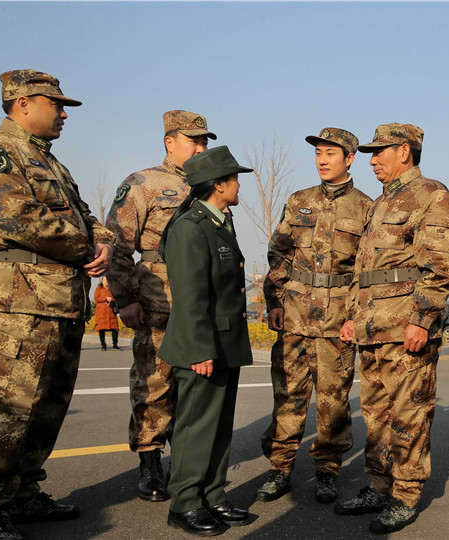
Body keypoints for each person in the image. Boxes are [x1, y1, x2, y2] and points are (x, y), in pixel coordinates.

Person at [0, 69, 114, 540]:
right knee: (5, 410)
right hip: (15, 303)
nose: (62, 115)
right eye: (56, 105)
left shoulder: (53, 164)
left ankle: (23, 494)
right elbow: (12, 215)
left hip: (58, 301)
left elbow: (91, 219)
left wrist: (105, 244)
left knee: (46, 407)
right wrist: (84, 248)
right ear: (22, 104)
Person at [338, 123, 449, 534]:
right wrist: (353, 316)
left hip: (405, 330)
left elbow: (439, 266)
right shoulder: (378, 205)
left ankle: (405, 495)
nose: (372, 160)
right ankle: (378, 484)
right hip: (372, 330)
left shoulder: (431, 195)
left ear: (404, 151)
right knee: (375, 416)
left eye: (380, 152)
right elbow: (363, 270)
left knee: (409, 415)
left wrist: (423, 320)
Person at [257, 128, 372, 504]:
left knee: (333, 400)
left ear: (349, 158)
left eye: (331, 154)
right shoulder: (298, 201)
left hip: (337, 319)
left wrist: (355, 316)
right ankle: (280, 469)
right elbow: (279, 255)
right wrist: (274, 301)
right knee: (287, 394)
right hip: (294, 314)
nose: (323, 160)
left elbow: (364, 272)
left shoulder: (367, 208)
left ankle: (327, 471)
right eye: (319, 153)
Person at [105, 110, 213, 501]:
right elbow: (117, 244)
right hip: (156, 301)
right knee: (153, 384)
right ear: (170, 142)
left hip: (198, 305)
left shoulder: (209, 185)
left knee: (196, 387)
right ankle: (150, 463)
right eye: (193, 141)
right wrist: (125, 298)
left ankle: (187, 463)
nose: (201, 147)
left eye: (204, 142)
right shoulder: (144, 183)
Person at [157, 145, 254, 536]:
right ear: (217, 184)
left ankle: (212, 495)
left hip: (224, 342)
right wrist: (199, 349)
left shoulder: (219, 222)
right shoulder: (190, 228)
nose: (238, 185)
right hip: (202, 345)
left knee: (218, 426)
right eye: (234, 179)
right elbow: (191, 295)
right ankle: (184, 503)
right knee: (195, 427)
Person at [94, 277, 121, 351]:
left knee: (114, 329)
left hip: (111, 312)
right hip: (101, 313)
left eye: (107, 280)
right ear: (102, 281)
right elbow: (96, 298)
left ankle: (115, 345)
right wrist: (105, 298)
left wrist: (112, 299)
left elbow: (117, 298)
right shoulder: (99, 288)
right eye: (104, 280)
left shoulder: (112, 289)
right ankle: (103, 345)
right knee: (101, 330)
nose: (106, 282)